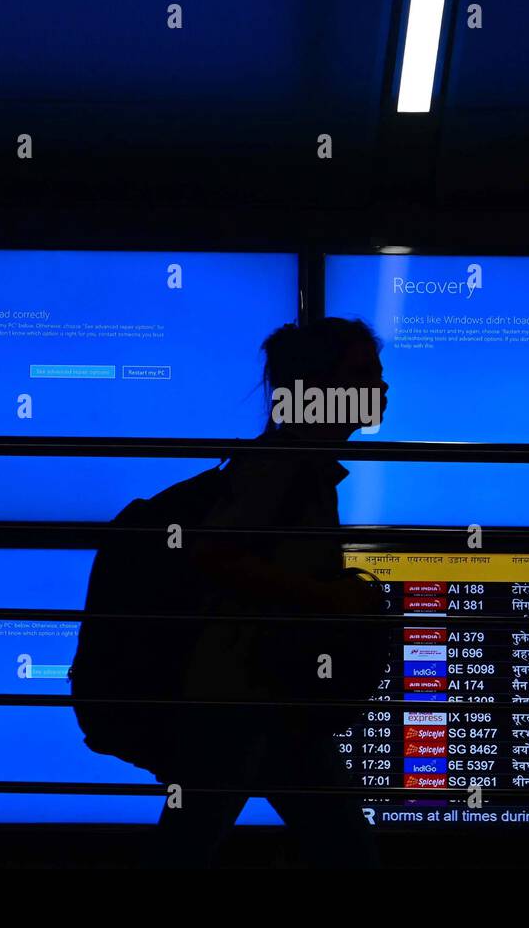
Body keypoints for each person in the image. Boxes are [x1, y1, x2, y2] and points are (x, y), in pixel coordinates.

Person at [152, 316, 390, 866]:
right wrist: (328, 597)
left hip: (267, 701)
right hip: (244, 703)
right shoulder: (281, 468)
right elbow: (216, 554)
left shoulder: (295, 464)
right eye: (363, 374)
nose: (380, 388)